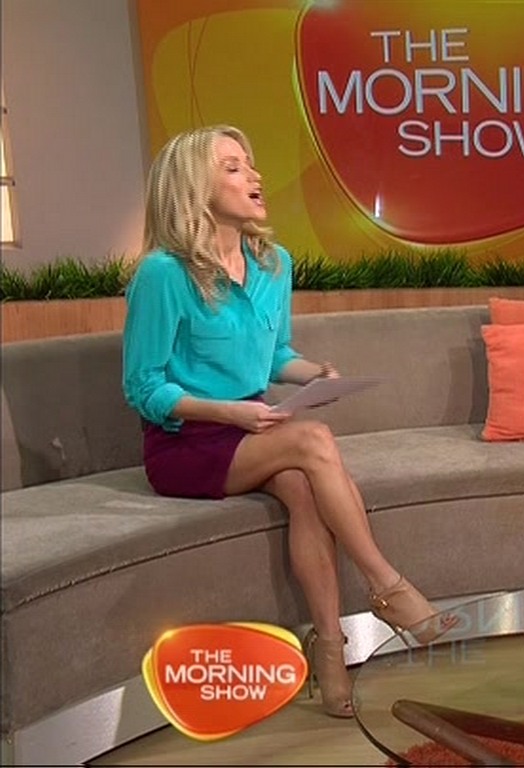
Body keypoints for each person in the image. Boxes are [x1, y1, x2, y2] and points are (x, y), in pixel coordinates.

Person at [122, 125, 453, 719]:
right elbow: (143, 387)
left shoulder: (274, 265)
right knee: (315, 441)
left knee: (304, 488)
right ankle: (388, 588)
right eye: (232, 167)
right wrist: (228, 411)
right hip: (186, 443)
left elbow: (274, 356)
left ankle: (330, 651)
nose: (254, 176)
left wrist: (313, 374)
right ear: (193, 187)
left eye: (250, 164)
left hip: (254, 428)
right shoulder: (163, 274)